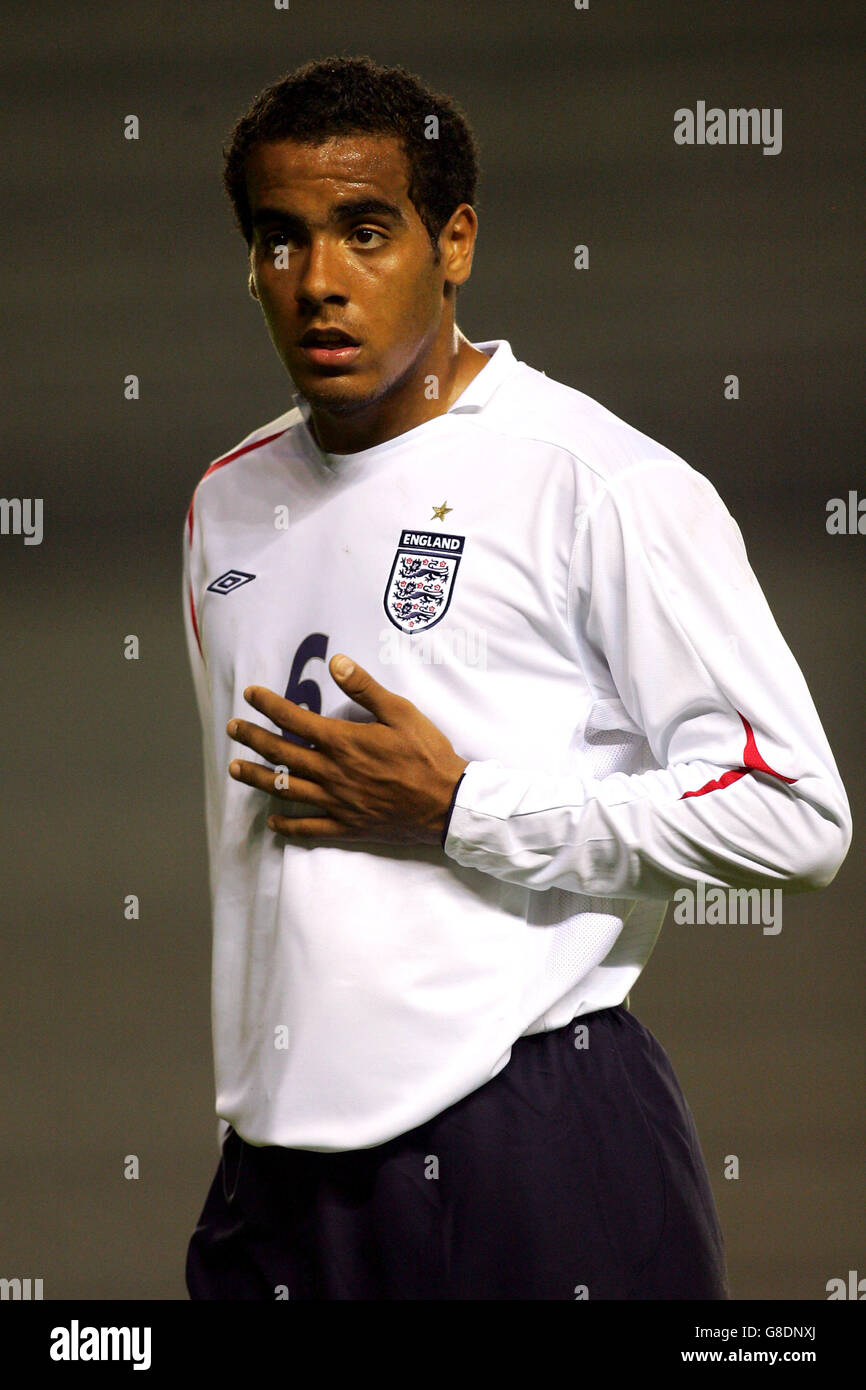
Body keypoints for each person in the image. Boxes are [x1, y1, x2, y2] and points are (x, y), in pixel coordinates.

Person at [182, 56, 851, 1300]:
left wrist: (459, 808)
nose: (317, 281)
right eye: (280, 241)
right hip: (279, 1180)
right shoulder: (228, 503)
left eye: (364, 232)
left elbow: (794, 808)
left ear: (455, 244)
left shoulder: (594, 482)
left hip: (527, 1140)